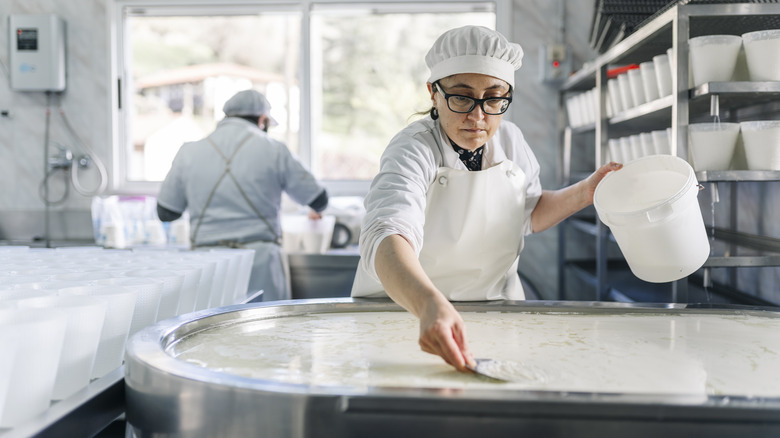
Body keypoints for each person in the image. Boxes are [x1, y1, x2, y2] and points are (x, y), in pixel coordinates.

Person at [350, 26, 621, 372]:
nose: (478, 117)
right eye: (461, 98)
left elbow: (529, 212)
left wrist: (586, 191)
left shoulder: (510, 140)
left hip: (495, 314)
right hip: (405, 315)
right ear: (433, 93)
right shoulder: (414, 148)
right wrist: (429, 303)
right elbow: (387, 235)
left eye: (494, 98)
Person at [157, 89, 328, 302]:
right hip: (260, 263)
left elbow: (166, 212)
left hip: (207, 263)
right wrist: (315, 211)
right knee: (266, 332)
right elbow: (319, 199)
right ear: (263, 120)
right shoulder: (274, 150)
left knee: (211, 332)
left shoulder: (189, 152)